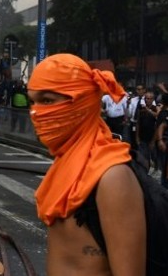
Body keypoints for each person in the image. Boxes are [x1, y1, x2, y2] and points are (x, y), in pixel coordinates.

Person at [28, 54, 145, 275]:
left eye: (47, 100)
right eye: (32, 101)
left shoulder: (112, 177)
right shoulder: (66, 162)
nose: (35, 112)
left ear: (82, 101)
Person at [134, 91, 160, 170]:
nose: (148, 100)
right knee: (143, 156)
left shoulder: (156, 108)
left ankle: (157, 170)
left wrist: (153, 140)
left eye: (150, 98)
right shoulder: (141, 109)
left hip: (152, 137)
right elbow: (138, 124)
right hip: (142, 137)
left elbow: (157, 123)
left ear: (153, 99)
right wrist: (137, 137)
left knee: (154, 156)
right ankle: (145, 170)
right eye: (146, 98)